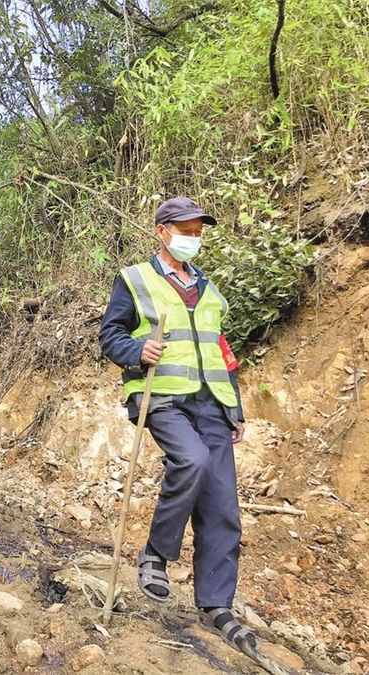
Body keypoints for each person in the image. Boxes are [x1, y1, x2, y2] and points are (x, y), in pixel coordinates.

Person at [99, 197, 257, 654]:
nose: (194, 237)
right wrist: (136, 352)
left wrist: (235, 407)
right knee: (191, 461)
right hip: (163, 397)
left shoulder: (209, 290)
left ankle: (216, 603)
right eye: (186, 229)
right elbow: (111, 333)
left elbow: (219, 351)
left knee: (223, 502)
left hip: (212, 403)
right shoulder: (134, 279)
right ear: (162, 232)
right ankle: (155, 553)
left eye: (199, 230)